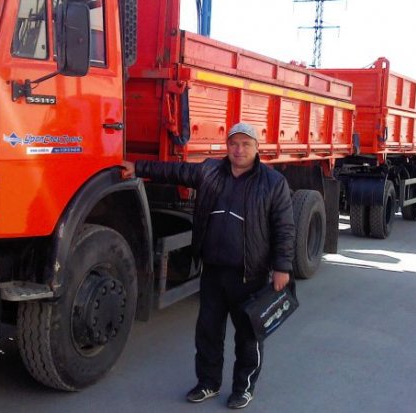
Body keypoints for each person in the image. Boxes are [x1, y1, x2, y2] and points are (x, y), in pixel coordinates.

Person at [121, 122, 295, 409]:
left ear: (257, 148)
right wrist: (138, 167)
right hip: (213, 272)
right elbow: (174, 171)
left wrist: (282, 267)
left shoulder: (273, 183)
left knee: (248, 337)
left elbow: (284, 227)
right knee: (208, 333)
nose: (239, 150)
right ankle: (208, 383)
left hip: (249, 275)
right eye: (234, 144)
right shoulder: (210, 171)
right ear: (227, 146)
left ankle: (243, 388)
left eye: (246, 144)